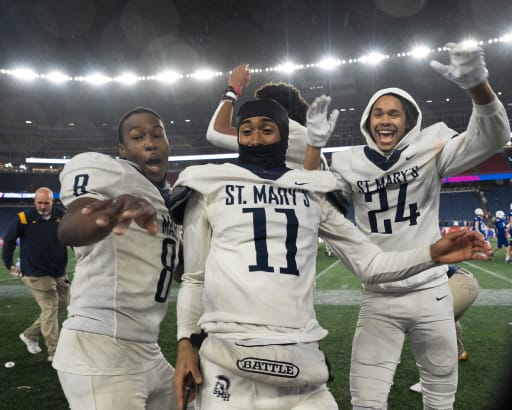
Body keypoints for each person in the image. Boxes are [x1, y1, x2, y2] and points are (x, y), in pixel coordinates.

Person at [173, 97, 491, 410]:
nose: (255, 139)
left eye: (267, 130)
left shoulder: (312, 195)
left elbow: (370, 264)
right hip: (227, 357)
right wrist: (185, 343)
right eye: (246, 131)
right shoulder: (208, 184)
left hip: (299, 356)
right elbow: (195, 279)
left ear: (283, 135)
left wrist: (432, 252)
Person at [329, 41, 510, 409]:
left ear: (409, 121)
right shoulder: (346, 162)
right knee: (365, 401)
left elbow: (493, 136)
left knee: (441, 399)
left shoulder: (431, 146)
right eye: (378, 113)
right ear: (367, 121)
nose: (384, 120)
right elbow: (317, 200)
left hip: (431, 293)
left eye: (394, 114)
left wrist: (477, 84)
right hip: (378, 296)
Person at [52, 107, 188, 410]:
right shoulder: (109, 171)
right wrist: (107, 213)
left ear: (168, 144)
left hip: (146, 349)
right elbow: (72, 226)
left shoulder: (165, 201)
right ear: (123, 150)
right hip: (99, 349)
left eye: (157, 135)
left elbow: (182, 270)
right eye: (138, 137)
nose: (150, 142)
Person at [2, 187, 69, 362]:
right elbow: (8, 241)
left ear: (52, 202)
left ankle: (30, 334)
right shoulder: (23, 218)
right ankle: (54, 352)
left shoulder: (62, 215)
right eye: (39, 202)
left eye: (46, 202)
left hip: (58, 270)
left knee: (63, 302)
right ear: (34, 202)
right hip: (35, 272)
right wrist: (9, 264)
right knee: (50, 306)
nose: (42, 206)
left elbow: (72, 236)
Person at [409, 264, 479, 393]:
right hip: (469, 281)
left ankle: (430, 383)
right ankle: (460, 352)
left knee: (432, 327)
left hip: (457, 283)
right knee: (450, 321)